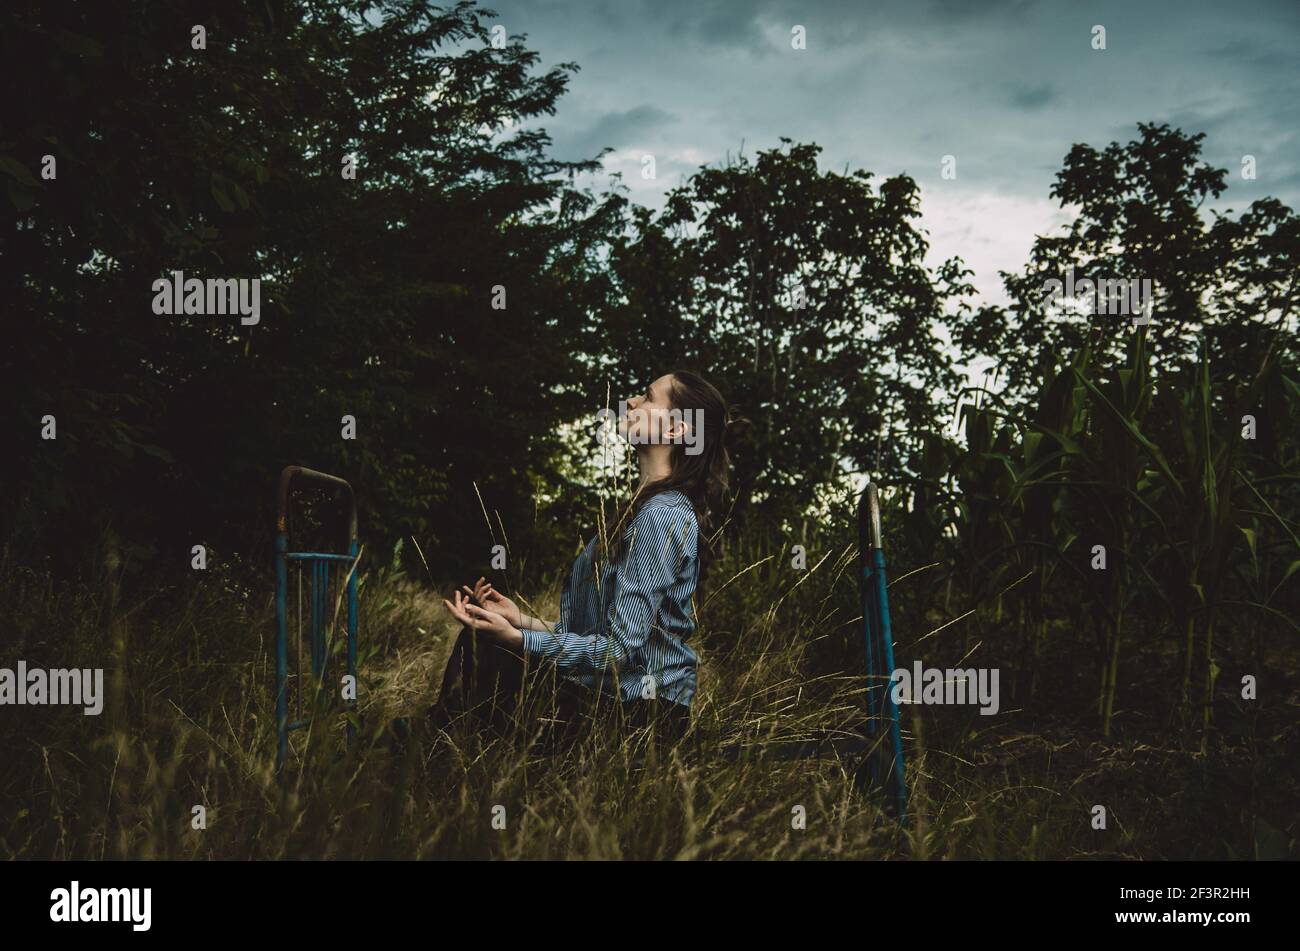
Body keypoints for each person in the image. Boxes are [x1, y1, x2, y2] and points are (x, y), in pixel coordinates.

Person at [425, 369, 743, 755]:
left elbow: (617, 651)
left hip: (640, 715)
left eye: (647, 396)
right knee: (485, 642)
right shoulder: (638, 510)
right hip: (611, 698)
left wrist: (518, 640)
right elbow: (598, 631)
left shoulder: (662, 516)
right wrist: (518, 620)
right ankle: (441, 751)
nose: (630, 402)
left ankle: (432, 754)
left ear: (676, 431)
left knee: (489, 651)